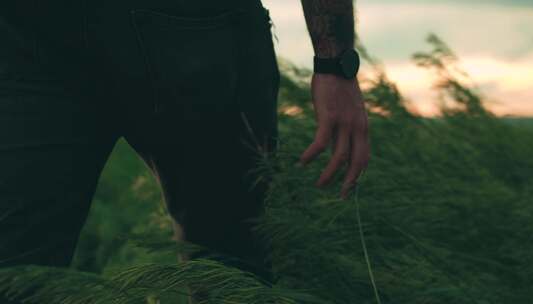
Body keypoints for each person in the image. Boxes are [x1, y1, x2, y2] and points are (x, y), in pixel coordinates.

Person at [0, 0, 369, 302]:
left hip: (191, 31)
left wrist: (336, 64)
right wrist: (334, 62)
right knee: (230, 272)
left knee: (230, 275)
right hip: (35, 41)